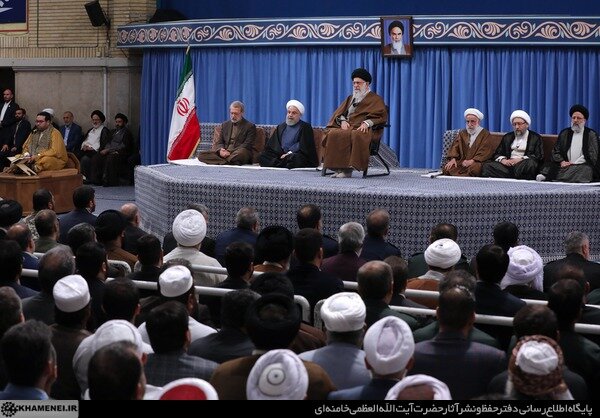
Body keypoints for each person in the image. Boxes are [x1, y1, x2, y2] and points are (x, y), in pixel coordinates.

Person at [322, 68, 388, 178]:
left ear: (366, 84)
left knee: (355, 135)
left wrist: (366, 123)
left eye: (358, 83)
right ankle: (338, 168)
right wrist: (343, 121)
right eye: (354, 83)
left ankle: (348, 170)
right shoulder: (350, 98)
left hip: (362, 128)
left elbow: (380, 116)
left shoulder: (376, 99)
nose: (356, 85)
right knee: (333, 133)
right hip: (347, 126)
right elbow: (340, 113)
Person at [537, 104, 599, 183]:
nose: (575, 120)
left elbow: (593, 155)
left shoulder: (591, 134)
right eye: (573, 118)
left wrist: (575, 164)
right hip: (565, 165)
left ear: (584, 120)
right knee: (546, 166)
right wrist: (562, 162)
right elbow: (556, 151)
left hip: (581, 165)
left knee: (586, 170)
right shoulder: (564, 133)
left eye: (578, 118)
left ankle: (550, 176)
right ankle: (563, 176)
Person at [482, 110, 543, 180]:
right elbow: (497, 153)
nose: (517, 127)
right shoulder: (507, 137)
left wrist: (520, 159)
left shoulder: (535, 137)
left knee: (530, 163)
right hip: (508, 166)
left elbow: (539, 156)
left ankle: (510, 176)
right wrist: (504, 160)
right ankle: (513, 176)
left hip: (523, 165)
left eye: (519, 124)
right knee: (487, 166)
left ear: (527, 124)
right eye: (514, 124)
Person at [259, 100, 318, 169]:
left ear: (300, 115)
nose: (290, 115)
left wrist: (289, 153)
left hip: (295, 154)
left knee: (295, 158)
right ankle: (282, 164)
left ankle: (279, 163)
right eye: (289, 112)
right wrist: (279, 153)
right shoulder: (281, 127)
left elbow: (303, 145)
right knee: (263, 156)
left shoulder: (305, 127)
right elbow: (272, 145)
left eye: (294, 113)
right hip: (281, 155)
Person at [443, 108, 498, 177]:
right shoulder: (462, 133)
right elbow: (455, 147)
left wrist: (472, 161)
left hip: (477, 162)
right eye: (467, 121)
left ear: (478, 122)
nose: (469, 124)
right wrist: (453, 159)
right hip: (462, 162)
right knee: (447, 168)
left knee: (474, 169)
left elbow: (485, 151)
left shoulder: (485, 134)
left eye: (472, 121)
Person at [198, 101, 256, 165]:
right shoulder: (225, 125)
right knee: (201, 155)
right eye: (231, 113)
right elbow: (220, 142)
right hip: (225, 152)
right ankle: (228, 161)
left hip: (238, 152)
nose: (233, 116)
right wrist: (221, 150)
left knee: (242, 153)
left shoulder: (250, 126)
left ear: (242, 113)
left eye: (236, 114)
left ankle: (222, 161)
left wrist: (229, 152)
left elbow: (247, 144)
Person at [91, 113, 134, 186]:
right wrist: (105, 149)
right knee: (97, 157)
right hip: (109, 151)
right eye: (116, 122)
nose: (117, 124)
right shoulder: (113, 131)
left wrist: (109, 150)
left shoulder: (127, 133)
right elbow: (107, 142)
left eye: (119, 122)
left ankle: (108, 181)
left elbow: (124, 146)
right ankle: (96, 180)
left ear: (124, 123)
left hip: (119, 153)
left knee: (110, 158)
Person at [78, 110, 111, 183]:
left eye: (97, 120)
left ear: (101, 120)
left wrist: (92, 148)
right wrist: (84, 146)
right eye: (93, 120)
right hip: (86, 150)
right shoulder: (90, 130)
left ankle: (87, 178)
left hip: (96, 151)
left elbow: (103, 144)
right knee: (76, 155)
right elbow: (85, 140)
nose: (95, 122)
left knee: (85, 159)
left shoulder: (104, 130)